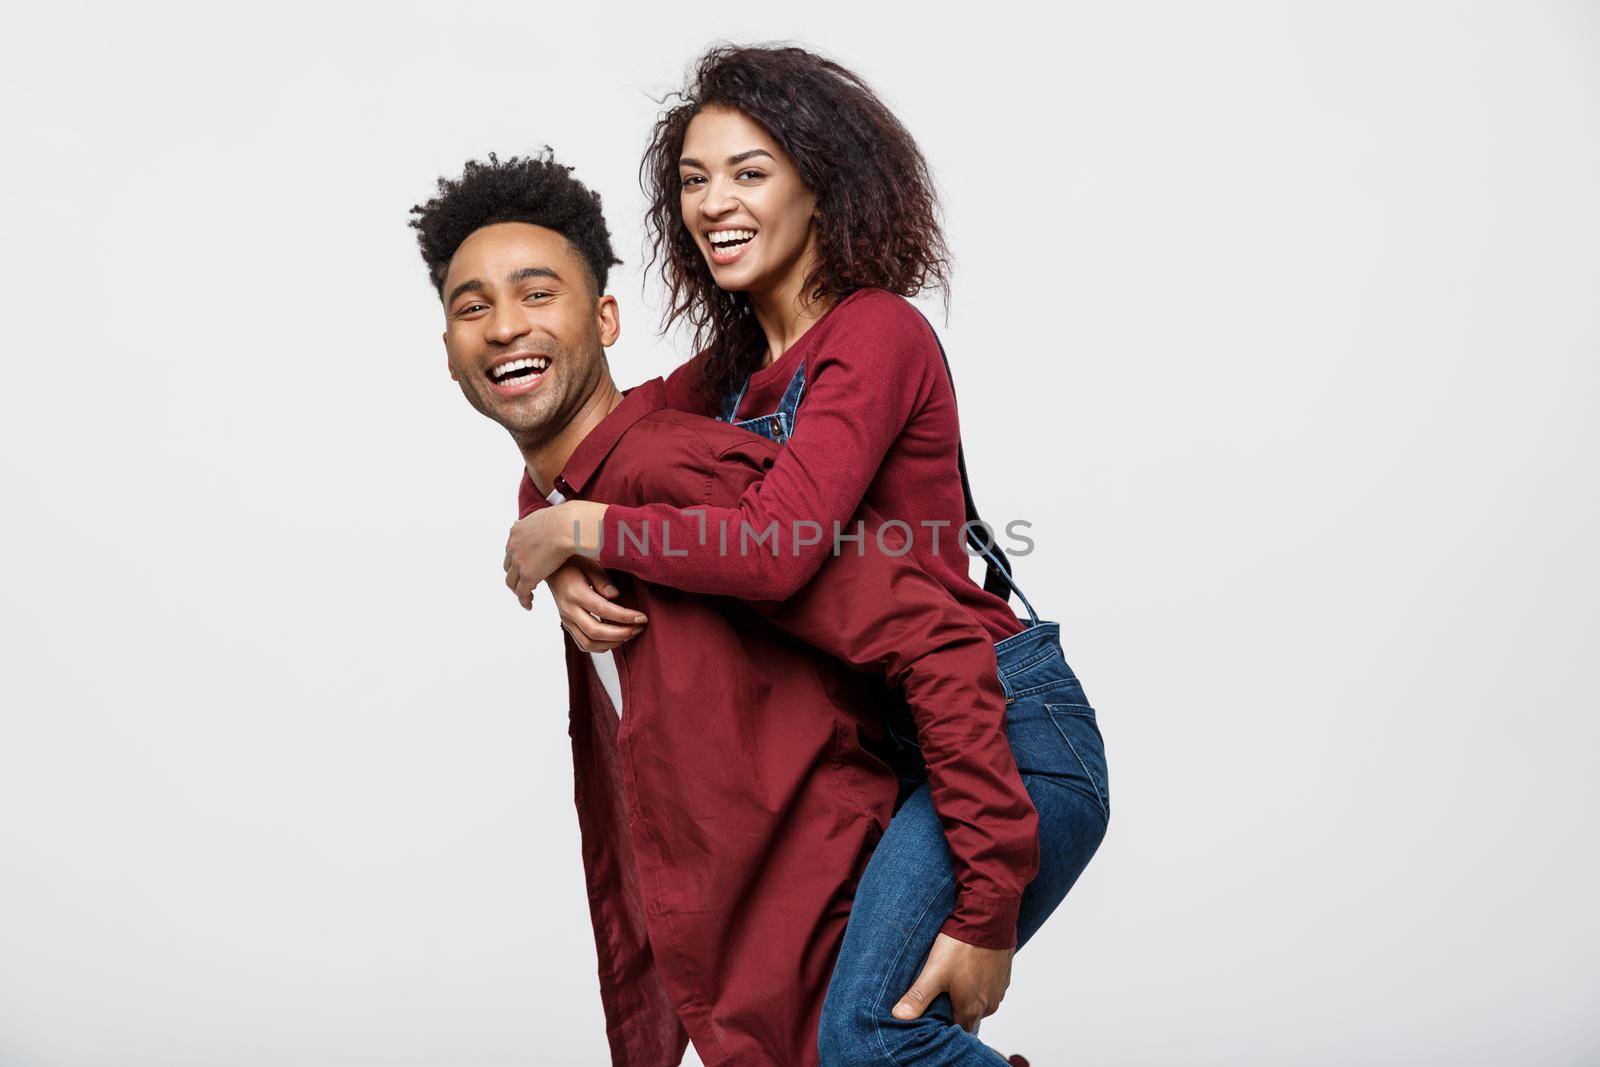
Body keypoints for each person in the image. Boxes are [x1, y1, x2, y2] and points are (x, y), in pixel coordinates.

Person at [503, 45, 1111, 1065]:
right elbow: (585, 440)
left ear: (819, 186)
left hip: (1004, 729)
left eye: (749, 172)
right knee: (833, 1045)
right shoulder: (735, 371)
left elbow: (773, 546)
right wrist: (552, 536)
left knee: (868, 1038)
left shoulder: (875, 335)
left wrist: (583, 528)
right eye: (694, 180)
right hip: (896, 745)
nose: (713, 203)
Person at [411, 152, 1043, 1066]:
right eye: (472, 307)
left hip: (941, 796)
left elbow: (935, 636)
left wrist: (987, 904)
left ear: (605, 319)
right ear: (447, 351)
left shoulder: (684, 469)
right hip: (748, 964)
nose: (505, 325)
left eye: (536, 294)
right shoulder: (601, 499)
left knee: (871, 1045)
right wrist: (552, 537)